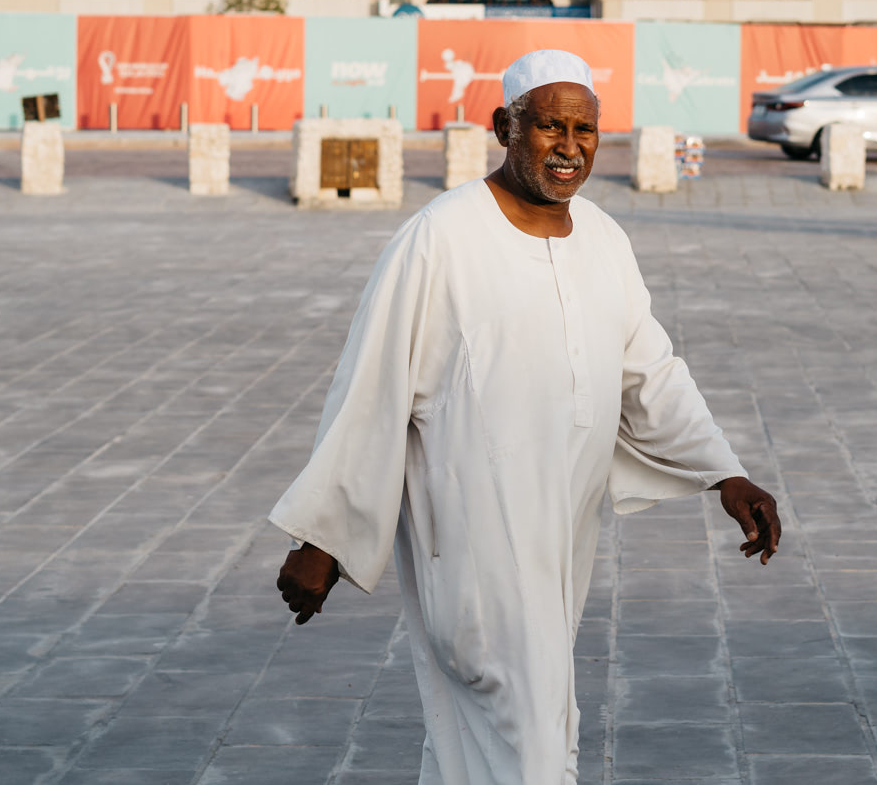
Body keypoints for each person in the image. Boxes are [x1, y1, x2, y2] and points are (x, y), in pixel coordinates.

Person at [270, 49, 782, 785]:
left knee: (491, 735)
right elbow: (371, 390)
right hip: (473, 536)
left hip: (562, 537)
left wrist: (724, 474)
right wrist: (322, 538)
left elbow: (650, 372)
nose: (569, 146)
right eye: (549, 126)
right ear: (505, 126)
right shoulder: (440, 238)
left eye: (585, 129)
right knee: (530, 731)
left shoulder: (604, 239)